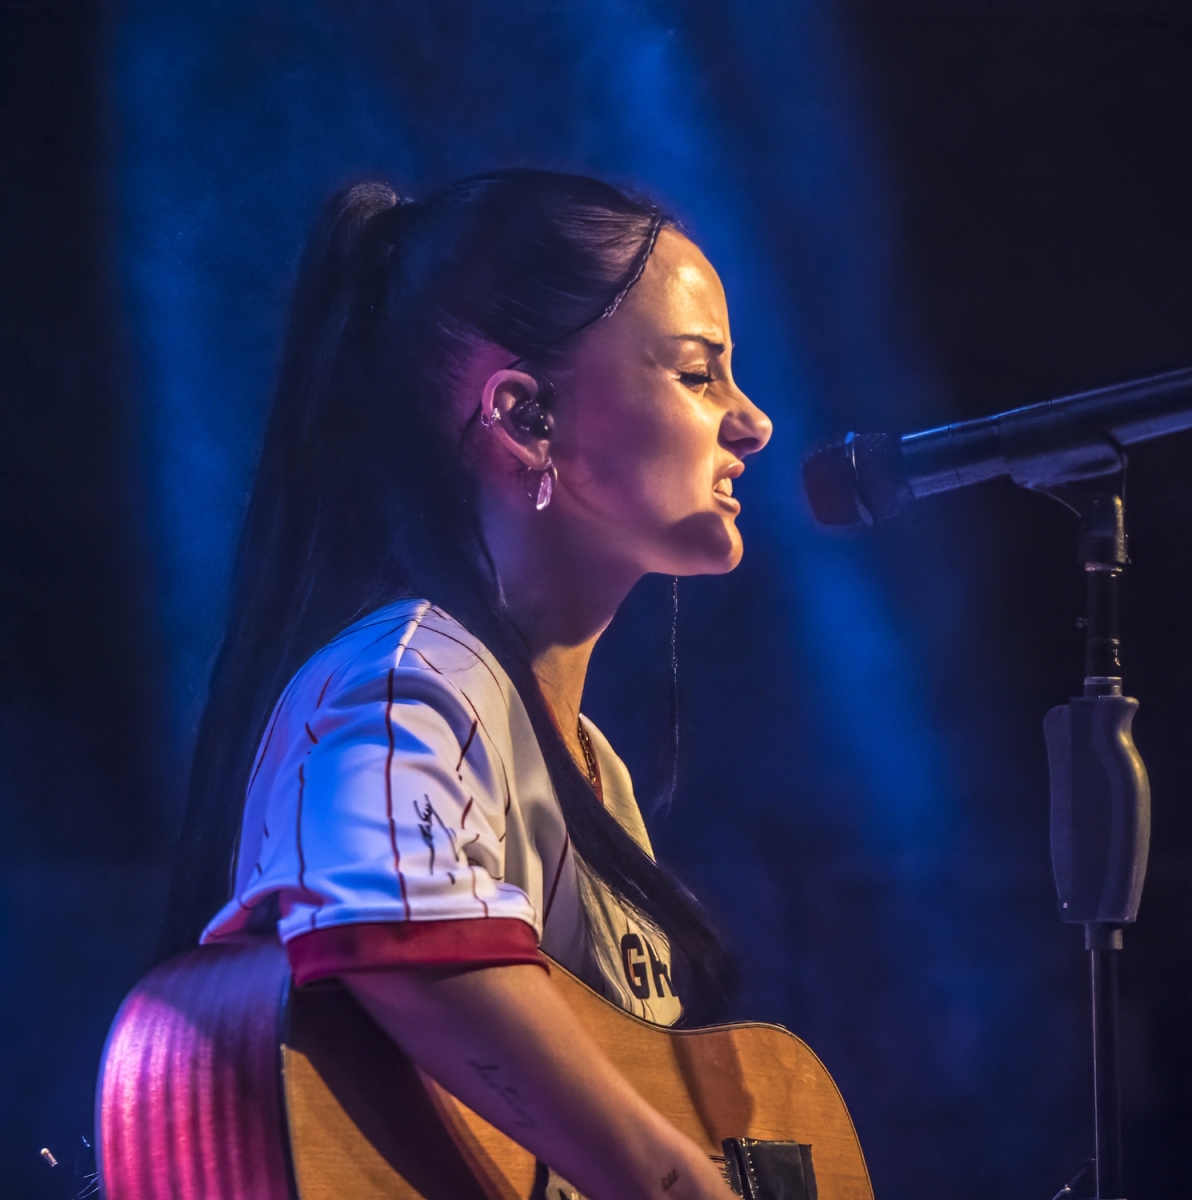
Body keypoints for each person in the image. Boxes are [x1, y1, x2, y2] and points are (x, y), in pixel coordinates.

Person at [158, 169, 772, 1200]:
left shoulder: (594, 771)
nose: (752, 423)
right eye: (699, 374)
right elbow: (385, 927)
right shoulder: (409, 682)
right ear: (526, 418)